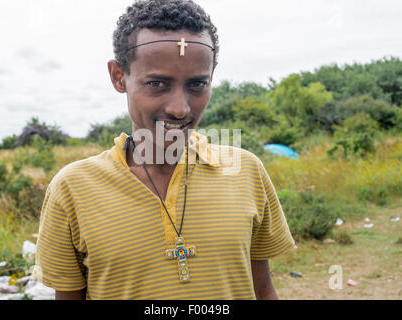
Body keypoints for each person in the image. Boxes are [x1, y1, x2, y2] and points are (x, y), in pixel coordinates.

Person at [33, 0, 295, 300]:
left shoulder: (246, 171)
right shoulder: (73, 189)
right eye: (157, 83)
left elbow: (263, 290)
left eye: (197, 84)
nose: (180, 108)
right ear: (119, 77)